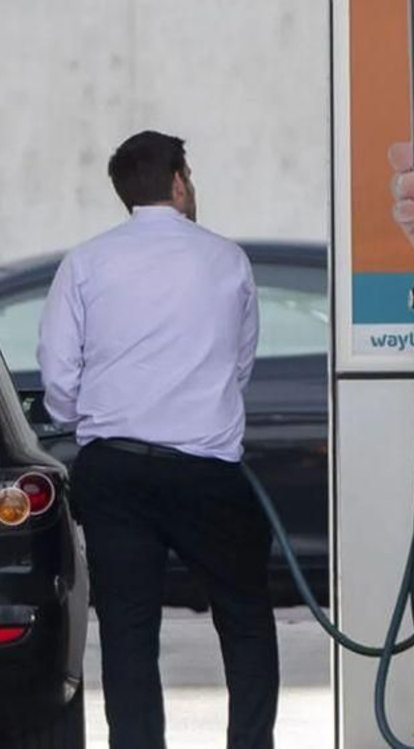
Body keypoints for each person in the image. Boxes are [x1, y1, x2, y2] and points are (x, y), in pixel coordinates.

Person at [37, 130, 276, 749]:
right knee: (246, 619)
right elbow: (239, 366)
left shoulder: (84, 264)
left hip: (113, 471)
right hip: (206, 470)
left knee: (127, 632)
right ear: (177, 183)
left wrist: (88, 413)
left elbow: (59, 382)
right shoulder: (227, 260)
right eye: (189, 176)